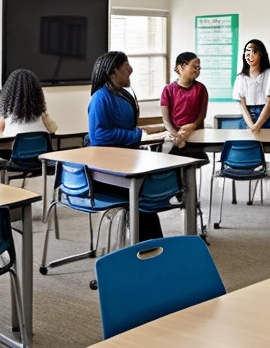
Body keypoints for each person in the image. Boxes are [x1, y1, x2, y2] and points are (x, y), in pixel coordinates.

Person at [87, 51, 163, 240]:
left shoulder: (121, 95)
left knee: (146, 196)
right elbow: (98, 136)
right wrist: (135, 135)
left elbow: (124, 127)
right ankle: (148, 249)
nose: (131, 69)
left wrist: (139, 133)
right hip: (109, 172)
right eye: (126, 65)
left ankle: (152, 248)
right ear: (114, 71)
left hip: (127, 163)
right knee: (142, 199)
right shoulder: (100, 98)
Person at [160, 52, 208, 157]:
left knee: (193, 164)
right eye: (194, 67)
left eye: (199, 68)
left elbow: (202, 114)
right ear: (181, 67)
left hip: (195, 135)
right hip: (175, 136)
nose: (197, 70)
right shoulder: (168, 90)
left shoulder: (201, 88)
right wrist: (176, 135)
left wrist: (193, 126)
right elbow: (166, 119)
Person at [232, 39, 270, 133]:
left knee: (267, 147)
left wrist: (257, 126)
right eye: (247, 51)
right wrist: (251, 126)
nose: (249, 55)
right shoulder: (240, 77)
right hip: (247, 120)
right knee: (246, 147)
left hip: (266, 119)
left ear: (261, 54)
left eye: (253, 51)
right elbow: (242, 106)